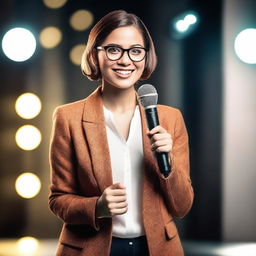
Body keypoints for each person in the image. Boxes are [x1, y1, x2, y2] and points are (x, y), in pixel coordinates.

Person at [49, 9, 194, 256]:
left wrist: (167, 164)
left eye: (136, 51)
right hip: (91, 248)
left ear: (146, 57)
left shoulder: (170, 119)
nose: (126, 60)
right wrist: (97, 207)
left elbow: (181, 207)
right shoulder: (68, 118)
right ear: (95, 54)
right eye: (114, 49)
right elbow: (58, 200)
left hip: (156, 248)